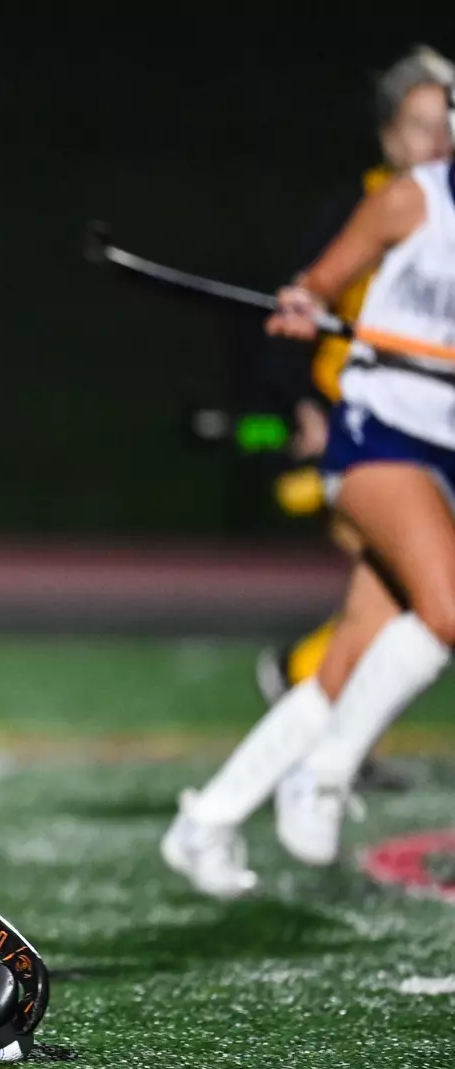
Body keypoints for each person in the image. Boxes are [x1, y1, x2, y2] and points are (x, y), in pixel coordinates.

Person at [163, 73, 455, 899]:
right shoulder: (409, 201)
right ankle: (323, 774)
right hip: (377, 436)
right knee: (446, 611)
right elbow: (314, 287)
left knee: (351, 652)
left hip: (442, 452)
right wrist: (302, 310)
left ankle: (208, 820)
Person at [255, 46, 454, 711]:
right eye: (418, 124)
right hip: (367, 430)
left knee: (390, 609)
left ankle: (305, 721)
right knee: (424, 601)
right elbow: (302, 302)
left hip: (430, 434)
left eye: (444, 121)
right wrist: (304, 411)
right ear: (387, 133)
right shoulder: (376, 206)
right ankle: (306, 698)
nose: (435, 139)